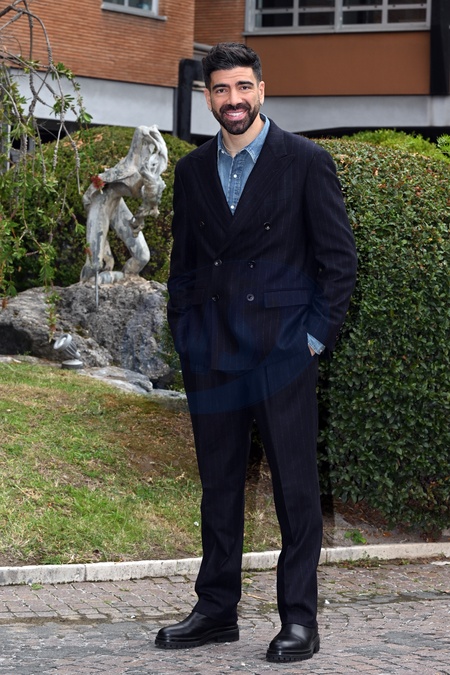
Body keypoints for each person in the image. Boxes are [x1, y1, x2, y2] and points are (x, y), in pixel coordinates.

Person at [155, 42, 357, 663]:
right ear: (208, 97)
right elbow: (184, 265)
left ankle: (299, 619)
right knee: (219, 488)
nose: (233, 99)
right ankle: (215, 610)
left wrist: (311, 340)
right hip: (212, 353)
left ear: (261, 90)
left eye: (243, 87)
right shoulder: (191, 172)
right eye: (221, 89)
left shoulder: (306, 162)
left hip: (282, 354)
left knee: (296, 491)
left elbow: (338, 262)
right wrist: (185, 335)